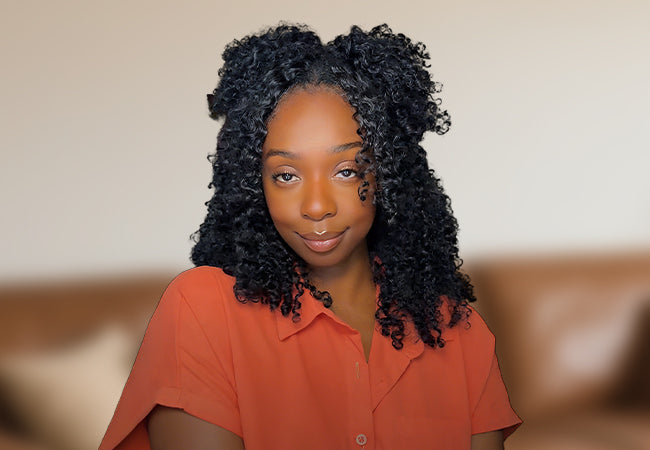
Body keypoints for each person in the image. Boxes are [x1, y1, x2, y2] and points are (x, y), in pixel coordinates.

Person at [100, 24, 521, 449]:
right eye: (286, 175)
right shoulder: (202, 310)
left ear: (387, 174)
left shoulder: (460, 334)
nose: (317, 206)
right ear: (254, 184)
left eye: (346, 171)